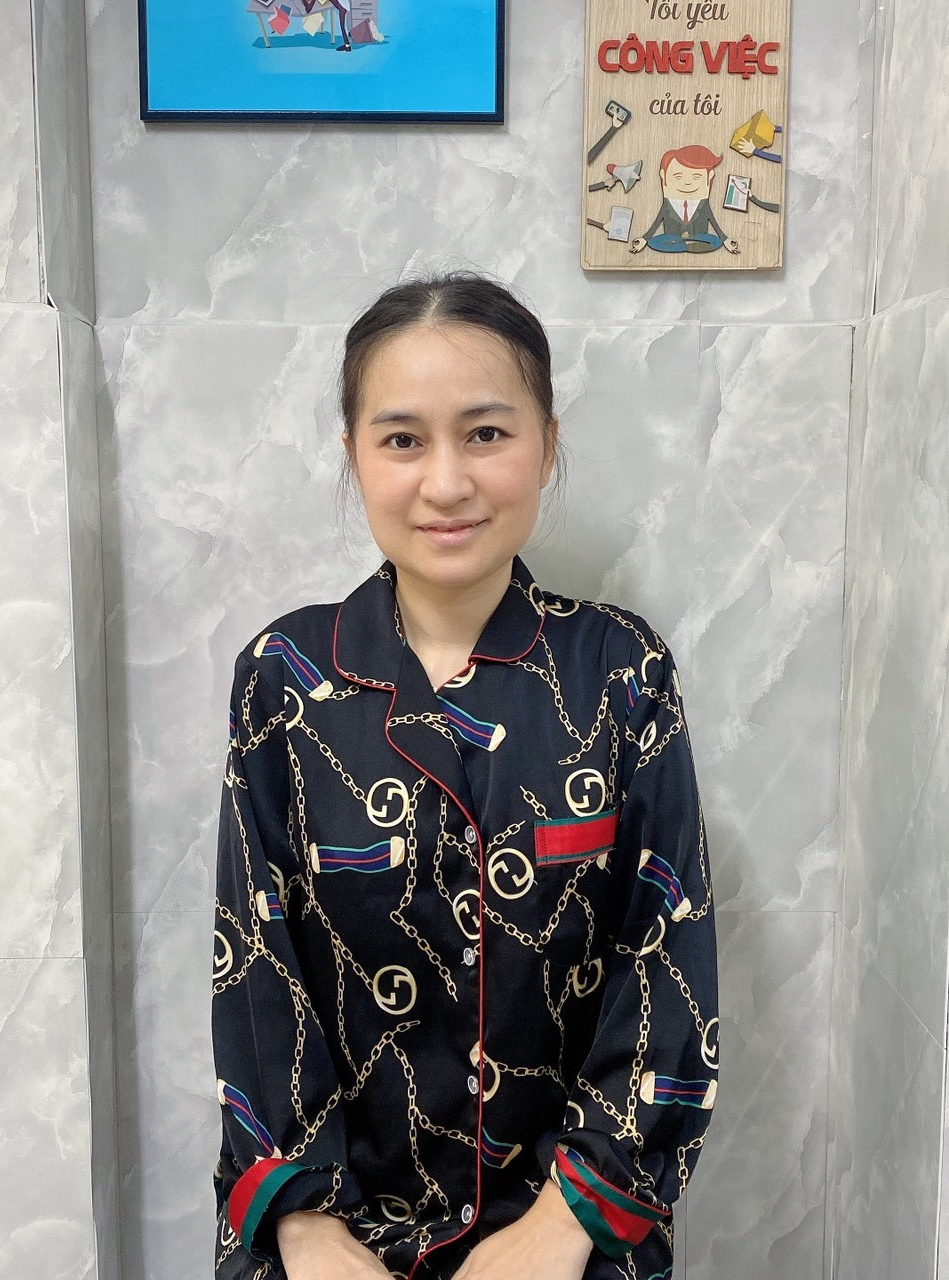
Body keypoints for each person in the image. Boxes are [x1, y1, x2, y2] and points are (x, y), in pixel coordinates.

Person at [210, 272, 719, 1280]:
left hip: (571, 1228)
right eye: (403, 439)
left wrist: (567, 1220)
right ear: (353, 455)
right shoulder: (286, 675)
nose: (446, 483)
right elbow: (255, 967)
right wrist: (307, 1225)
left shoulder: (620, 671)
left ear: (548, 443)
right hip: (331, 1232)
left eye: (486, 433)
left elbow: (666, 962)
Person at [630, 145, 739, 255]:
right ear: (663, 176)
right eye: (678, 177)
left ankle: (683, 246)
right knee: (654, 242)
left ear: (709, 177)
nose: (687, 182)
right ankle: (687, 246)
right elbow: (657, 221)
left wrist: (725, 239)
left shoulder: (703, 203)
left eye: (696, 177)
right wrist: (645, 238)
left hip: (699, 237)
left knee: (716, 241)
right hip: (672, 238)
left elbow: (713, 221)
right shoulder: (667, 204)